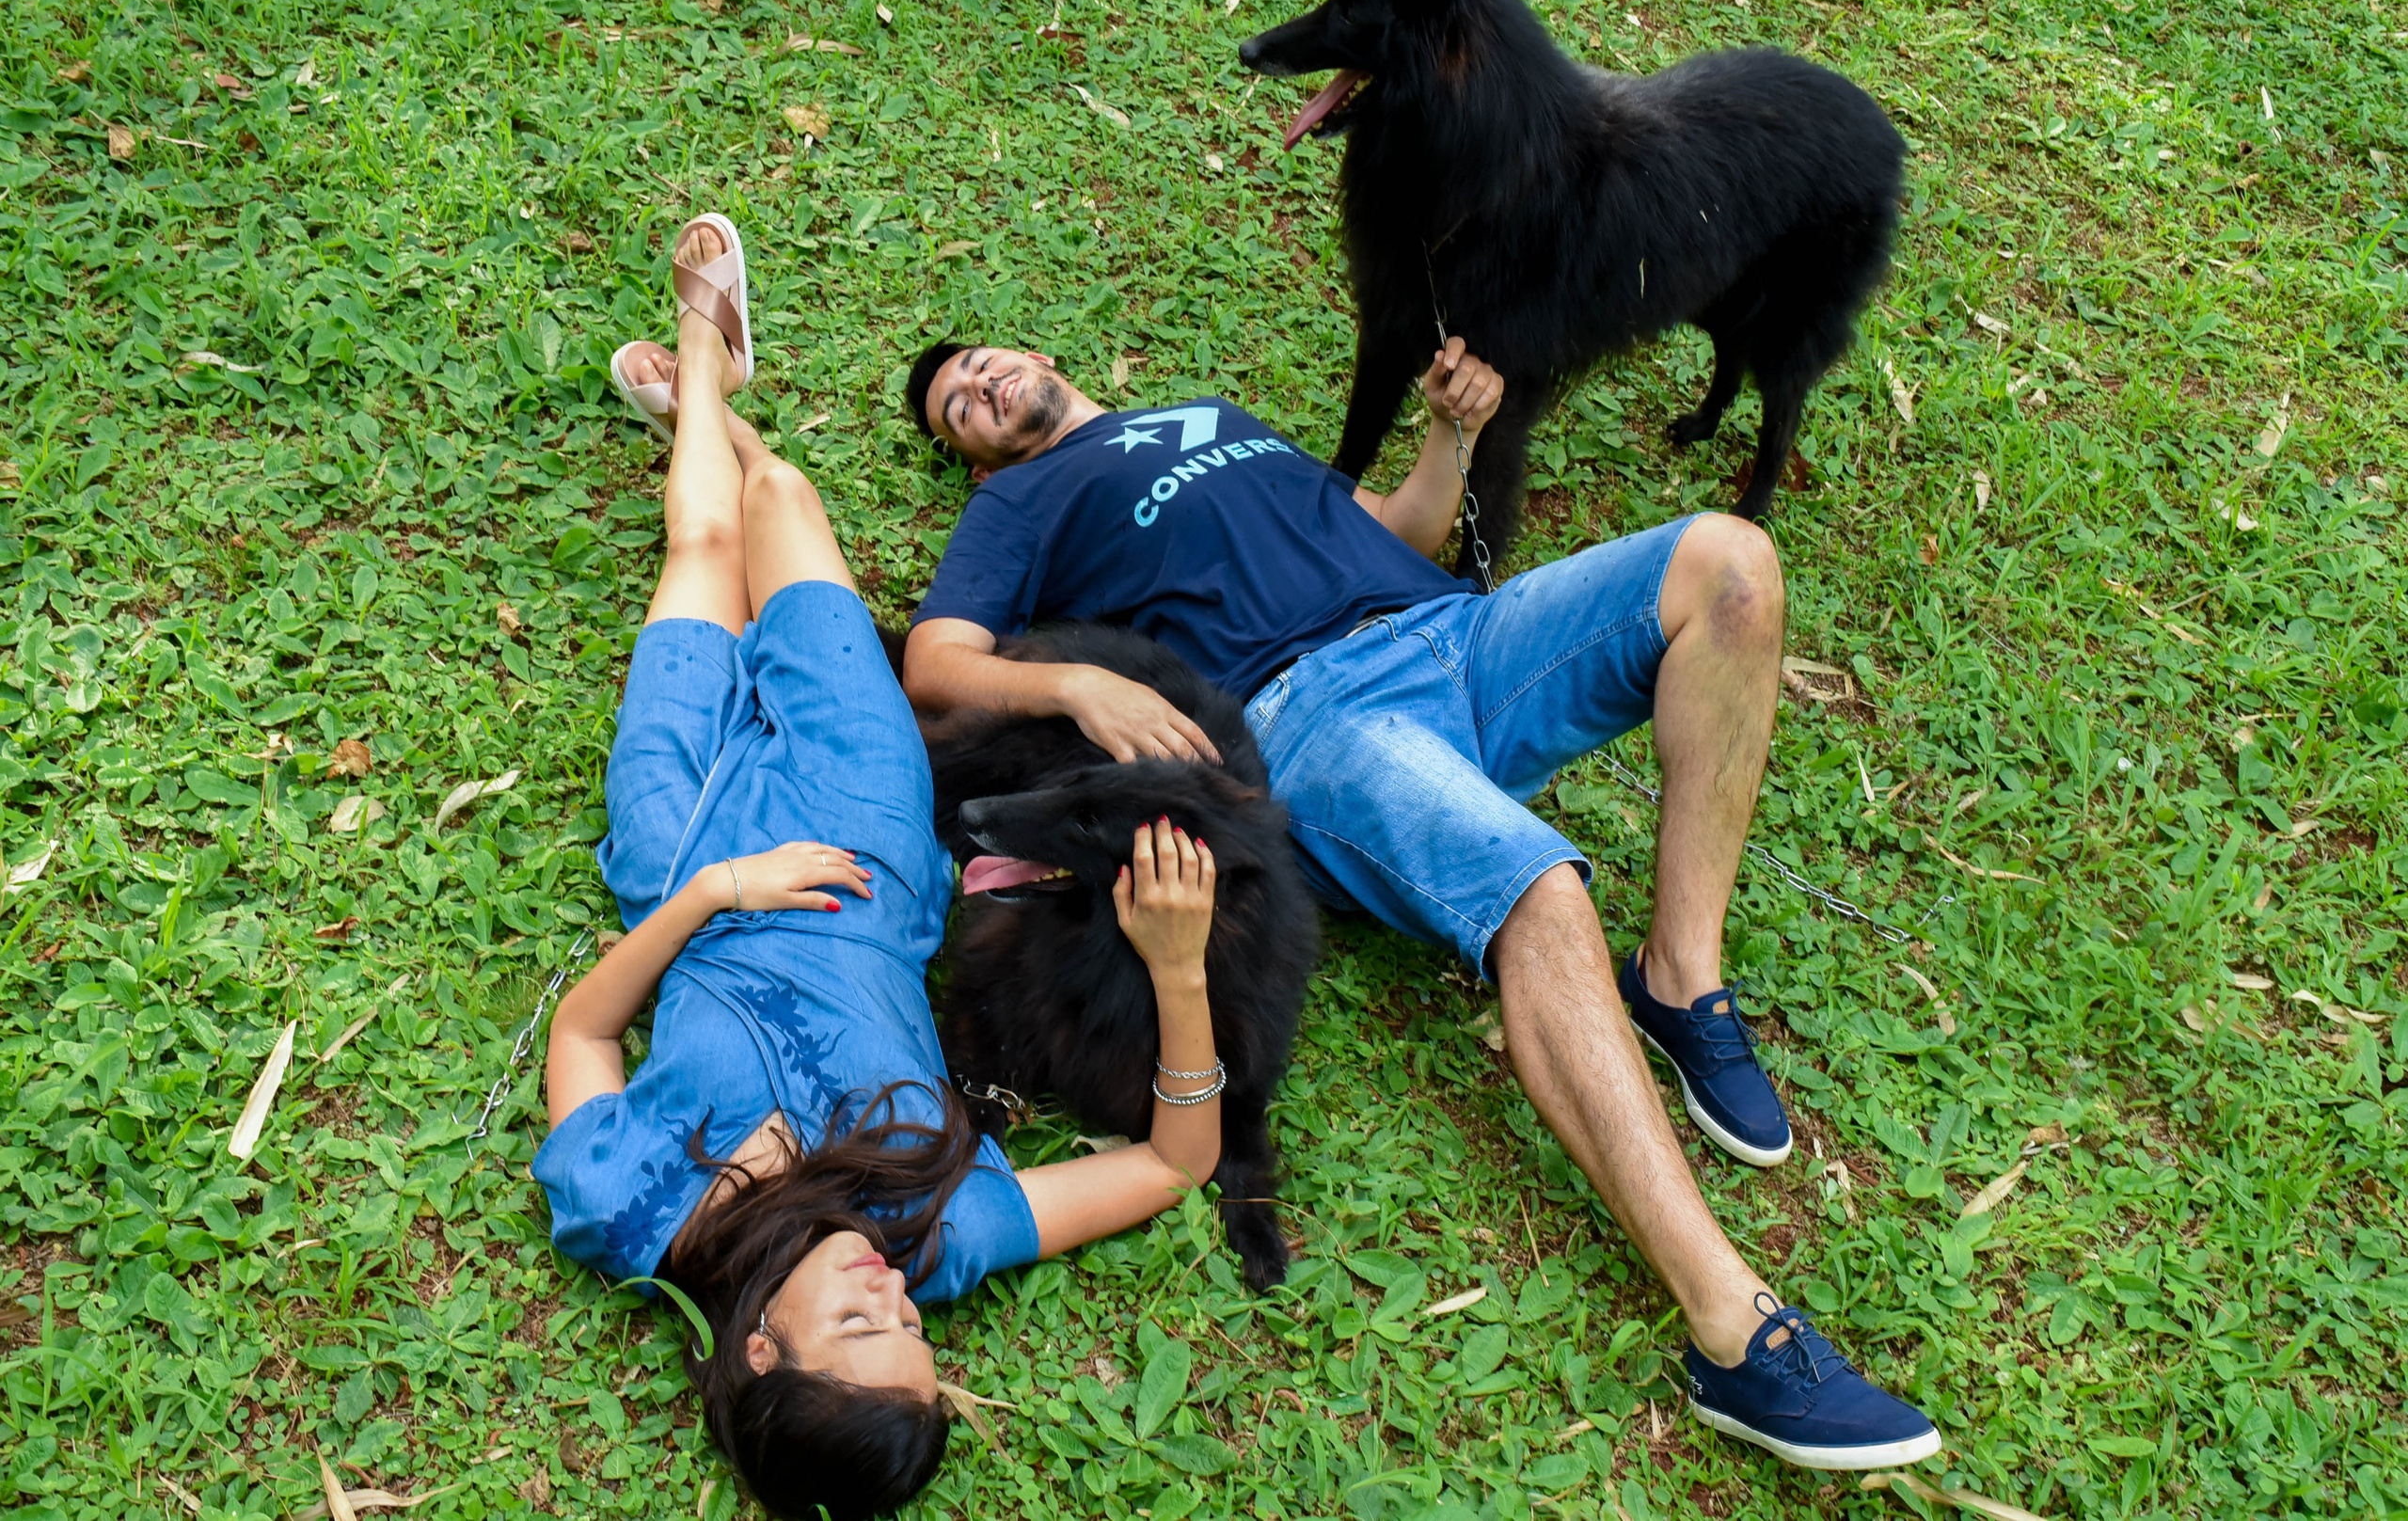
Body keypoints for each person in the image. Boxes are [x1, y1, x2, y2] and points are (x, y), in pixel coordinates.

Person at [898, 340, 1943, 1470]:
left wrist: (1451, 434)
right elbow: (935, 661)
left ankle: (1678, 976)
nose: (986, 388)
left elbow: (1400, 532)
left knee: (1730, 562)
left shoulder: (1213, 412)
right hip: (1311, 711)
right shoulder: (1020, 500)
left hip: (1460, 635)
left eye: (986, 366)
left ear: (1042, 356)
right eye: (961, 407)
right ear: (971, 456)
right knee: (1539, 891)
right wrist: (1077, 684)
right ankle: (1733, 1335)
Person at [534, 217, 1239, 1521]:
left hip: (680, 847)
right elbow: (1174, 1164)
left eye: (864, 1331)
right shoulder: (940, 1228)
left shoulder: (635, 1217)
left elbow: (583, 1029)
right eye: (915, 1332)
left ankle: (700, 348)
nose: (893, 1297)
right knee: (786, 500)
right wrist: (1180, 968)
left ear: (760, 1347)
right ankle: (717, 408)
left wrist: (706, 894)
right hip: (866, 845)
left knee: (701, 556)